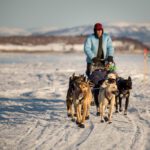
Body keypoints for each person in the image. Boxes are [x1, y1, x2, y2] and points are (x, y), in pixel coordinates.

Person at [84, 22, 115, 116]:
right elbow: (87, 48)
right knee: (92, 79)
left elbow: (110, 47)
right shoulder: (90, 38)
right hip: (92, 61)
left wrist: (110, 56)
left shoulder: (106, 37)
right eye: (97, 30)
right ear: (94, 31)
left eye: (100, 30)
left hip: (105, 61)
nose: (99, 32)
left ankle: (111, 98)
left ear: (102, 30)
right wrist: (93, 57)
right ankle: (93, 97)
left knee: (112, 74)